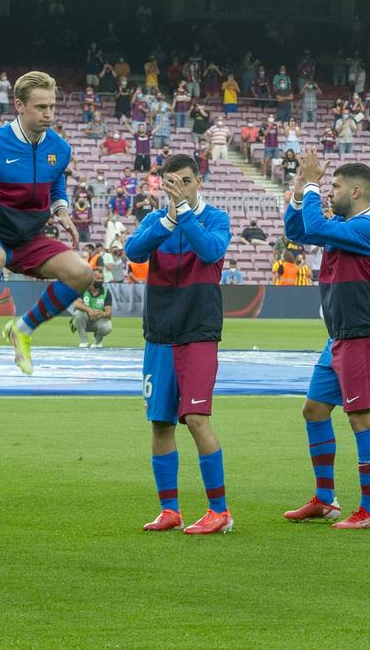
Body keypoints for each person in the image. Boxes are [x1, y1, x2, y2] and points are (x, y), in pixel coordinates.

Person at [0, 71, 91, 375]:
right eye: (40, 107)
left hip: (28, 238)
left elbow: (56, 182)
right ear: (19, 105)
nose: (48, 114)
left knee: (82, 274)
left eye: (51, 106)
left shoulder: (60, 149)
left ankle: (22, 329)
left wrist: (61, 209)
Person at [281, 150, 370, 529]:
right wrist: (300, 191)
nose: (330, 192)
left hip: (362, 332)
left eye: (335, 186)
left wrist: (310, 183)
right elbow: (297, 230)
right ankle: (326, 500)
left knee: (361, 418)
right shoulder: (346, 224)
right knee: (314, 410)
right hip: (340, 336)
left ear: (358, 191)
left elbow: (312, 227)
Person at [123, 154, 233, 535]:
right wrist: (169, 218)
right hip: (159, 334)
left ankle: (219, 511)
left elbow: (211, 251)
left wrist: (183, 212)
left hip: (198, 331)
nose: (179, 189)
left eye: (185, 181)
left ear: (198, 182)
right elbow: (133, 252)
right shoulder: (157, 221)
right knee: (160, 423)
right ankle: (170, 510)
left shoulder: (216, 219)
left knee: (197, 419)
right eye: (172, 183)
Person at [71, 279, 113, 348]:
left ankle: (97, 341)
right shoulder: (82, 289)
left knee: (108, 327)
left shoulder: (106, 292)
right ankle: (83, 341)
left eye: (101, 279)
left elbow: (109, 313)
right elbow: (76, 304)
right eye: (98, 279)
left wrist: (102, 314)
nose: (100, 281)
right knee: (78, 313)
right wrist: (90, 310)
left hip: (98, 320)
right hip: (84, 320)